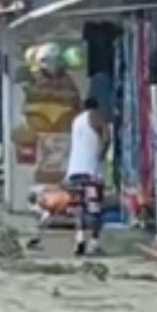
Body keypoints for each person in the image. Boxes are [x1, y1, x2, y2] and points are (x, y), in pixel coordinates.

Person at [65, 95, 109, 256]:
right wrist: (102, 154)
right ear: (95, 108)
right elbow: (106, 136)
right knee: (95, 209)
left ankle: (79, 239)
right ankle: (93, 243)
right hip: (90, 173)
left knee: (79, 209)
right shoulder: (95, 115)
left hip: (74, 173)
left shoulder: (76, 121)